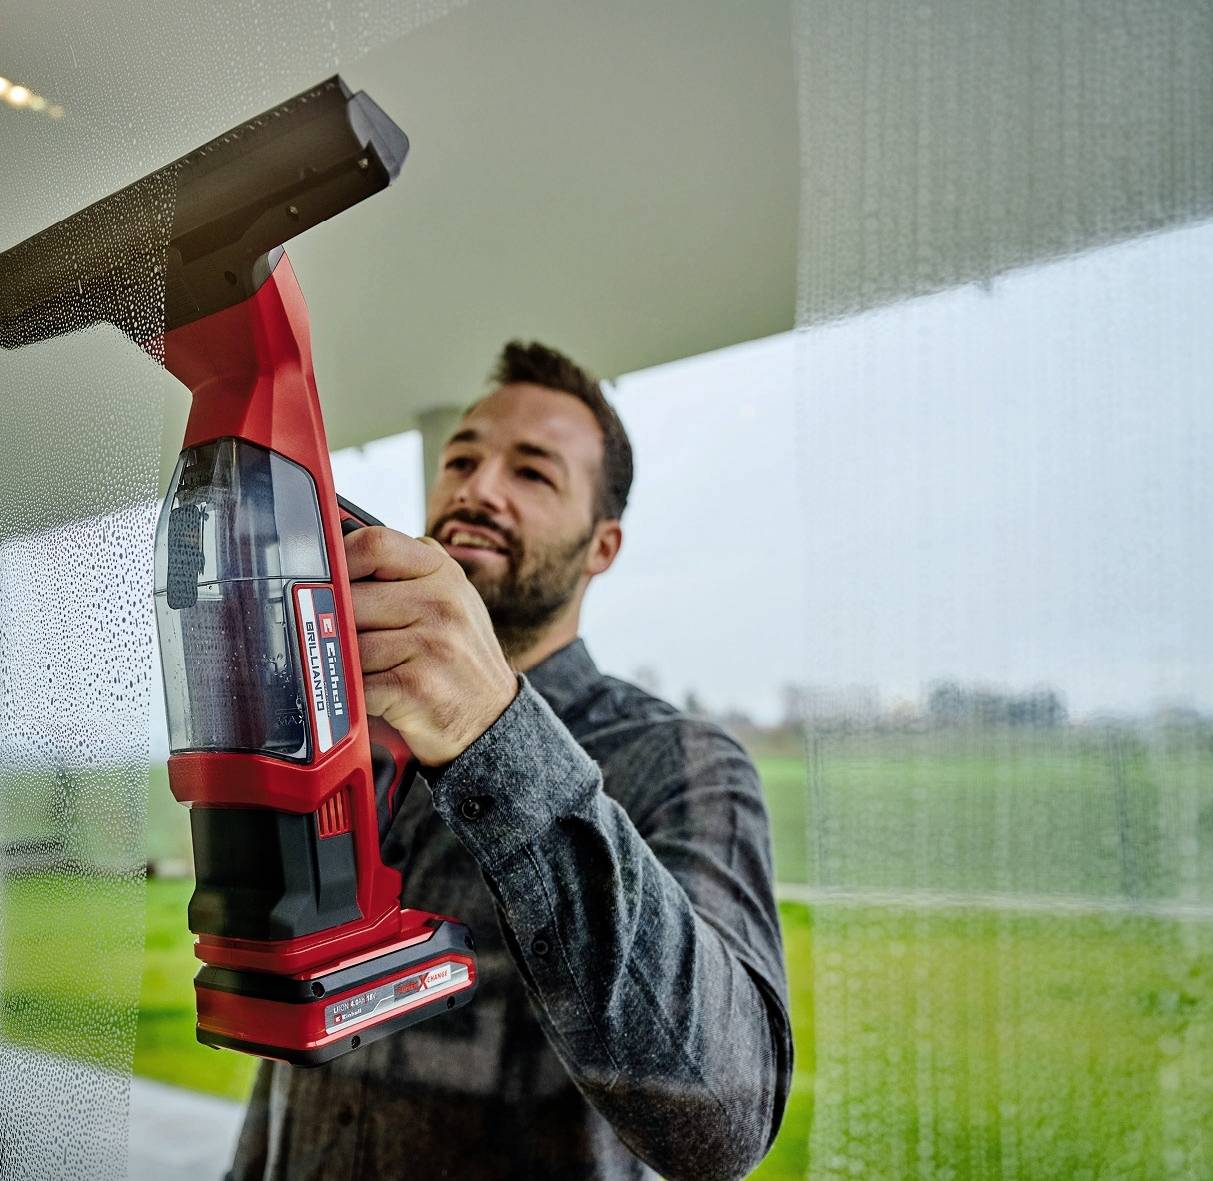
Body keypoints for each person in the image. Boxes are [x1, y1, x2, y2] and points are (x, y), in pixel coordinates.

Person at [227, 341, 792, 1181]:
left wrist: (490, 727)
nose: (477, 488)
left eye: (532, 472)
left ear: (602, 546)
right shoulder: (354, 738)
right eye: (461, 459)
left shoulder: (685, 761)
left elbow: (726, 1118)